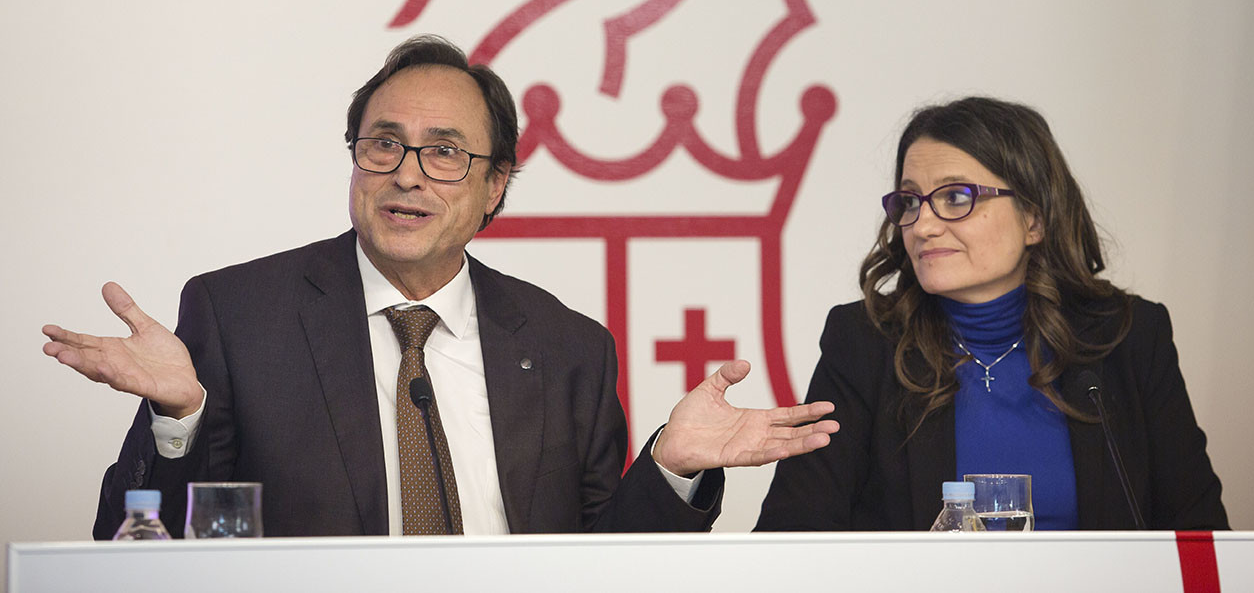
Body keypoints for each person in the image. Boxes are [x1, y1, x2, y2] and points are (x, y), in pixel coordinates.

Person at [44, 34, 838, 539]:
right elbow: (137, 540)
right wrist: (176, 417)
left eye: (445, 152)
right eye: (382, 144)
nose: (407, 175)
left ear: (495, 187)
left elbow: (606, 565)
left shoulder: (567, 348)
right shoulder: (241, 316)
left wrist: (670, 464)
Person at [756, 96, 1227, 531]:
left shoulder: (1126, 337)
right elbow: (791, 536)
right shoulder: (865, 342)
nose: (923, 225)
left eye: (956, 197)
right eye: (910, 201)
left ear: (1034, 219)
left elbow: (1200, 534)